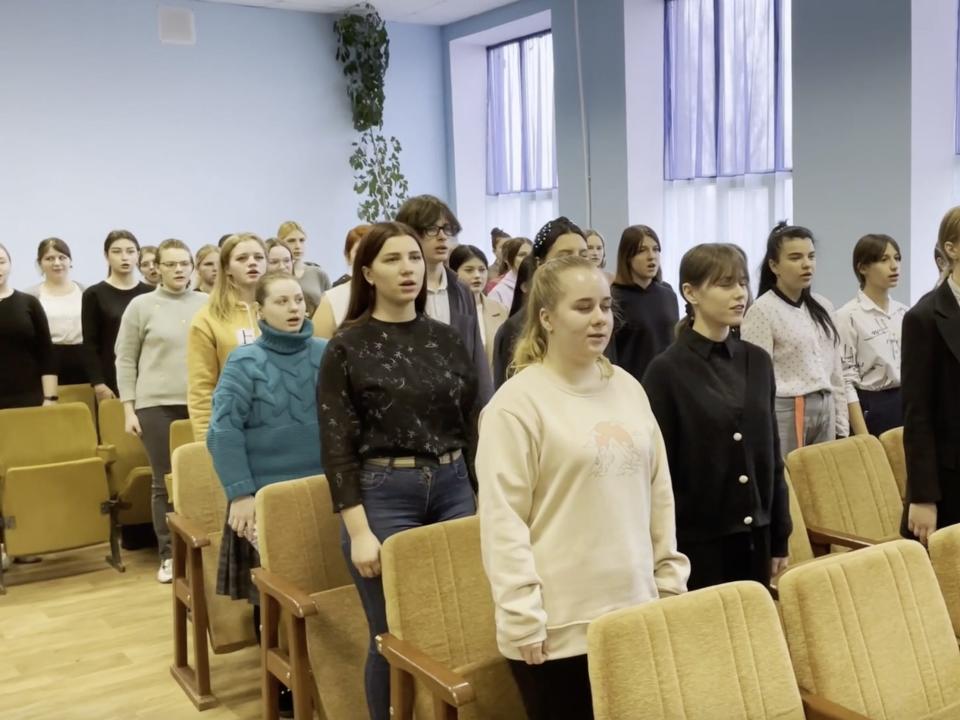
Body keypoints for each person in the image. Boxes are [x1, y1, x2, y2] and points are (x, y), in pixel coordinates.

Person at [477, 255, 689, 720]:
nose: (599, 319)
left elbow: (658, 494)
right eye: (583, 307)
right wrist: (521, 614)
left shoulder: (628, 387)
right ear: (547, 318)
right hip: (558, 625)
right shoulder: (516, 405)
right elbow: (502, 520)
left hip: (635, 607)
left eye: (606, 307)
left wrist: (669, 580)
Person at [319, 221, 480, 720]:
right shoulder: (348, 346)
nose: (407, 267)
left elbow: (472, 423)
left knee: (460, 624)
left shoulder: (447, 339)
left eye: (413, 257)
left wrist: (484, 498)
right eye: (392, 259)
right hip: (384, 493)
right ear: (366, 271)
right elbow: (336, 445)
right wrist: (359, 531)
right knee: (391, 632)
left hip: (454, 485)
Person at [207, 271, 324, 718]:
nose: (295, 308)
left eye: (299, 300)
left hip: (323, 493)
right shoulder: (244, 361)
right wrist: (241, 493)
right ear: (260, 311)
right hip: (266, 498)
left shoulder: (327, 354)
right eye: (282, 301)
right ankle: (283, 684)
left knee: (326, 588)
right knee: (274, 598)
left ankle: (325, 673)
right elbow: (222, 431)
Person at [643, 244, 790, 590]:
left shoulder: (757, 360)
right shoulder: (666, 371)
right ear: (690, 293)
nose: (740, 294)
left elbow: (771, 454)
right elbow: (659, 473)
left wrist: (780, 532)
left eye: (742, 283)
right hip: (697, 540)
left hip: (756, 534)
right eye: (725, 285)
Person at [114, 239, 207, 584]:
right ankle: (168, 555)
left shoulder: (206, 302)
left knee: (204, 475)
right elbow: (125, 359)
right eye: (171, 264)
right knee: (163, 481)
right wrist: (128, 408)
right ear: (157, 268)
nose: (179, 269)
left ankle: (204, 547)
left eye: (185, 263)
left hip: (200, 401)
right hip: (155, 404)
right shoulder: (141, 305)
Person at [741, 222, 856, 456]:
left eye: (811, 256)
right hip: (788, 406)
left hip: (825, 403)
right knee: (792, 480)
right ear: (774, 265)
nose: (806, 264)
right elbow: (756, 380)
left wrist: (842, 423)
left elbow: (836, 370)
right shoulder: (762, 310)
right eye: (795, 258)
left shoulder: (824, 306)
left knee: (822, 479)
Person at [395, 194, 492, 402]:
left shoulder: (461, 289)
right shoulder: (399, 288)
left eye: (446, 229)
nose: (442, 237)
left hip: (459, 406)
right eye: (431, 229)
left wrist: (485, 409)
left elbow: (477, 359)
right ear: (410, 234)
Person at [902, 207, 960, 545]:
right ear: (951, 249)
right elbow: (917, 415)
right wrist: (923, 496)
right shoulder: (924, 317)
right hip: (951, 479)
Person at [492, 219, 589, 391]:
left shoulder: (596, 318)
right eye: (565, 256)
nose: (576, 264)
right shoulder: (516, 328)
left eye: (583, 255)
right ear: (540, 263)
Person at [187, 233, 267, 441]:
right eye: (242, 258)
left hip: (279, 426)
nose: (252, 263)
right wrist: (206, 440)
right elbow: (201, 388)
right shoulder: (208, 318)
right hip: (233, 428)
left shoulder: (282, 310)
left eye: (258, 257)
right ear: (227, 268)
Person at [836, 234, 908, 437]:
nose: (894, 266)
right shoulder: (847, 316)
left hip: (907, 401)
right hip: (872, 406)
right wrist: (862, 434)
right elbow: (846, 379)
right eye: (884, 260)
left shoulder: (905, 313)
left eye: (897, 258)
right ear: (862, 268)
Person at [82, 230, 154, 401]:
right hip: (111, 379)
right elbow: (90, 344)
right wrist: (98, 383)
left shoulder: (151, 293)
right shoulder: (94, 294)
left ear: (137, 255)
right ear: (106, 256)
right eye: (117, 252)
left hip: (148, 378)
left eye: (130, 251)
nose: (124, 257)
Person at [609, 225, 679, 382]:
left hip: (669, 382)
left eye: (655, 249)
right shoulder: (613, 297)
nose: (651, 256)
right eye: (642, 250)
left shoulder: (667, 293)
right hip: (633, 384)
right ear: (627, 256)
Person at [0, 243, 57, 409]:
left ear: (10, 265)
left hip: (29, 396)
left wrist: (51, 398)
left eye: (2, 262)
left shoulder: (29, 302)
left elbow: (46, 352)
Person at [26, 238, 86, 384]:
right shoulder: (30, 296)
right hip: (47, 361)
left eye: (62, 257)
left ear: (70, 261)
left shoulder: (86, 292)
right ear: (40, 263)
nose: (57, 263)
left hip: (84, 360)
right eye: (49, 258)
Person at [450, 244, 507, 370]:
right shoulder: (447, 309)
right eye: (469, 270)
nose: (477, 275)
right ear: (453, 272)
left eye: (482, 270)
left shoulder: (500, 310)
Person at [312, 225, 371, 339]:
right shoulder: (332, 300)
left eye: (373, 251)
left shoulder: (396, 298)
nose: (366, 257)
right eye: (359, 252)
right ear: (348, 257)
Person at [277, 220, 330, 315]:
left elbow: (330, 307)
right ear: (280, 243)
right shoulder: (274, 275)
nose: (298, 246)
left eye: (301, 240)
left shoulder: (318, 274)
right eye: (291, 241)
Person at [488, 237, 533, 310]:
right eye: (522, 255)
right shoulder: (498, 292)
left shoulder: (541, 284)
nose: (528, 259)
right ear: (507, 259)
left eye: (531, 255)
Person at [485, 227, 513, 293]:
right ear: (494, 251)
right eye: (503, 247)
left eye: (511, 246)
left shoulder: (516, 270)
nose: (507, 250)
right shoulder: (487, 272)